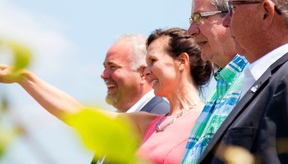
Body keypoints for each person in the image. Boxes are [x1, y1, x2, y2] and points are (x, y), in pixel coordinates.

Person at [0, 27, 212, 163]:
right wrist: (24, 77)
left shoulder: (211, 118)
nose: (145, 71)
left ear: (182, 62)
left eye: (153, 62)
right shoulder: (148, 124)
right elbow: (76, 113)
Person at [198, 0, 288, 164]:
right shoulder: (265, 80)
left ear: (266, 12)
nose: (227, 21)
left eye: (233, 8)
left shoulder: (284, 81)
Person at [181, 0, 248, 163]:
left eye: (199, 18)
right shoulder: (219, 91)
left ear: (231, 16)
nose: (191, 30)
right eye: (191, 20)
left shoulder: (257, 81)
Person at [94, 34, 170, 164]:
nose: (103, 75)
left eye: (113, 67)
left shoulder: (160, 120)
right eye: (104, 67)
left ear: (142, 73)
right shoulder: (120, 120)